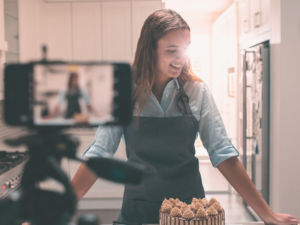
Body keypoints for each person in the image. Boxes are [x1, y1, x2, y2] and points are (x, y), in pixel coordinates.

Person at [71, 9, 299, 225]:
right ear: (150, 49)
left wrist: (266, 214)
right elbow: (99, 155)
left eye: (185, 48)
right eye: (172, 50)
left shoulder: (197, 91)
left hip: (190, 211)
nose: (181, 58)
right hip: (137, 210)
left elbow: (222, 153)